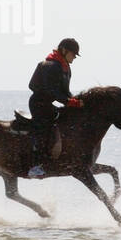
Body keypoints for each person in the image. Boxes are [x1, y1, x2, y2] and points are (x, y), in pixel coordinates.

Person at [26, 37, 83, 178]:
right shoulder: (50, 66)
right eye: (73, 54)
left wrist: (73, 100)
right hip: (38, 104)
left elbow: (64, 91)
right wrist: (69, 102)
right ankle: (35, 166)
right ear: (64, 50)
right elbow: (51, 91)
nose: (74, 57)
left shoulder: (66, 68)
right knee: (44, 129)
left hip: (48, 104)